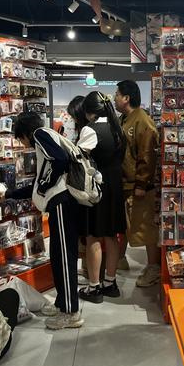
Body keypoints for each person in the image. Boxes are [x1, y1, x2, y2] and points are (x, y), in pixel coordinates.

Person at [9, 112, 83, 329]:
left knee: (64, 257)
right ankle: (62, 303)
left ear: (25, 133)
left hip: (61, 202)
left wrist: (43, 186)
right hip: (60, 203)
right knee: (58, 255)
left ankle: (70, 312)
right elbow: (40, 179)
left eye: (20, 138)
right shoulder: (47, 136)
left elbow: (60, 160)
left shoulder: (39, 135)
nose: (22, 144)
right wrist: (12, 194)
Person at [68, 92, 127, 303]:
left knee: (93, 236)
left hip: (96, 189)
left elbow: (78, 159)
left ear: (88, 111)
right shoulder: (117, 128)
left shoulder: (90, 130)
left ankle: (94, 287)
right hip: (115, 187)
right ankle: (110, 282)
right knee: (111, 235)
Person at [114, 80, 162, 287]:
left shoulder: (142, 121)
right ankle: (121, 259)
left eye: (117, 94)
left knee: (145, 228)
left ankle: (153, 268)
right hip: (126, 183)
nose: (114, 98)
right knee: (128, 225)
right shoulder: (124, 119)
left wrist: (142, 183)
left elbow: (147, 154)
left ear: (126, 98)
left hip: (139, 186)